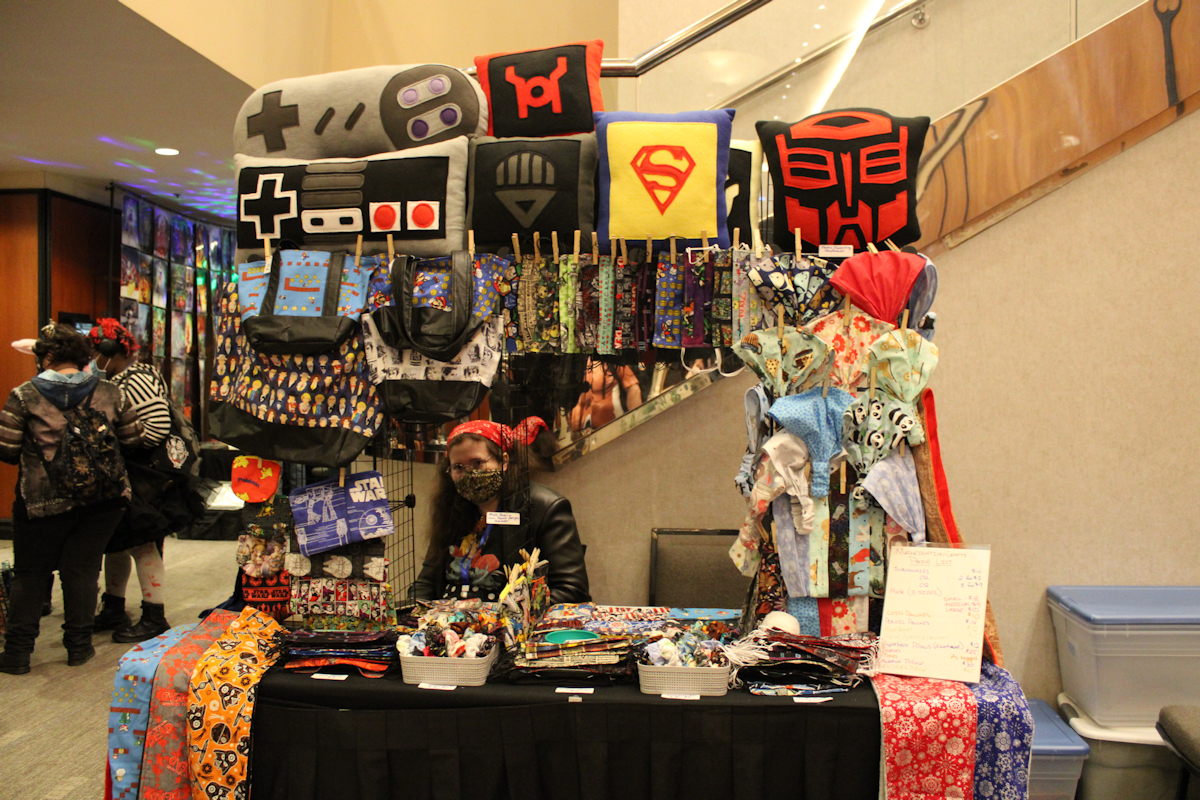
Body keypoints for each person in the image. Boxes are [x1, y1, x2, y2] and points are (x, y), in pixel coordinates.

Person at [0, 323, 142, 674]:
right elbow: (134, 439)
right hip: (104, 499)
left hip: (42, 500)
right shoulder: (110, 391)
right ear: (84, 357)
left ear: (46, 357)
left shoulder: (24, 395)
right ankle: (79, 647)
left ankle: (17, 655)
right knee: (82, 570)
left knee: (30, 573)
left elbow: (7, 450)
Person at [413, 418, 590, 605]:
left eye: (477, 463)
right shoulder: (450, 508)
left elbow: (572, 591)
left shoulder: (546, 508)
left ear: (504, 461)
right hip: (449, 618)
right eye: (458, 467)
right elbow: (426, 583)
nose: (469, 475)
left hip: (512, 618)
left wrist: (509, 613)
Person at [87, 319, 176, 642]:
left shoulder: (135, 380)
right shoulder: (127, 377)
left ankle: (154, 615)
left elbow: (158, 426)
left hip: (143, 477)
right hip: (131, 475)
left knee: (142, 544)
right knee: (119, 543)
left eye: (95, 352)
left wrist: (122, 443)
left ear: (110, 350)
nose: (93, 360)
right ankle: (114, 605)